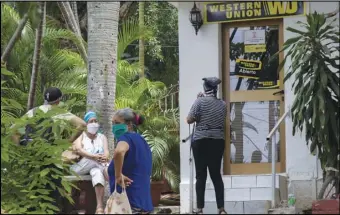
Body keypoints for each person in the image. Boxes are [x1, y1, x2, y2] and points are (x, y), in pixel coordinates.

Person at [186, 77, 227, 214]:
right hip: (217, 141)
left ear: (205, 88)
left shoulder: (199, 101)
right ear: (215, 89)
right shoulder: (223, 104)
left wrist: (198, 103)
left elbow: (189, 119)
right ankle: (221, 208)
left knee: (201, 175)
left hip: (201, 141)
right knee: (216, 175)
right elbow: (220, 119)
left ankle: (200, 208)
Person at [107, 108, 153, 214]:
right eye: (113, 123)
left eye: (117, 123)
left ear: (129, 125)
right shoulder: (142, 141)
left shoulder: (125, 138)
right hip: (144, 203)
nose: (114, 126)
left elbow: (119, 152)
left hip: (128, 204)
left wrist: (118, 175)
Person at [71, 111, 109, 214]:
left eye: (95, 121)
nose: (94, 123)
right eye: (91, 121)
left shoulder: (102, 137)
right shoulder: (80, 135)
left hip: (97, 166)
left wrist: (103, 157)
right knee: (93, 160)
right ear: (86, 124)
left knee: (97, 172)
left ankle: (99, 207)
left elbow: (106, 153)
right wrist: (94, 156)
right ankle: (111, 178)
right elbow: (78, 150)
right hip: (78, 168)